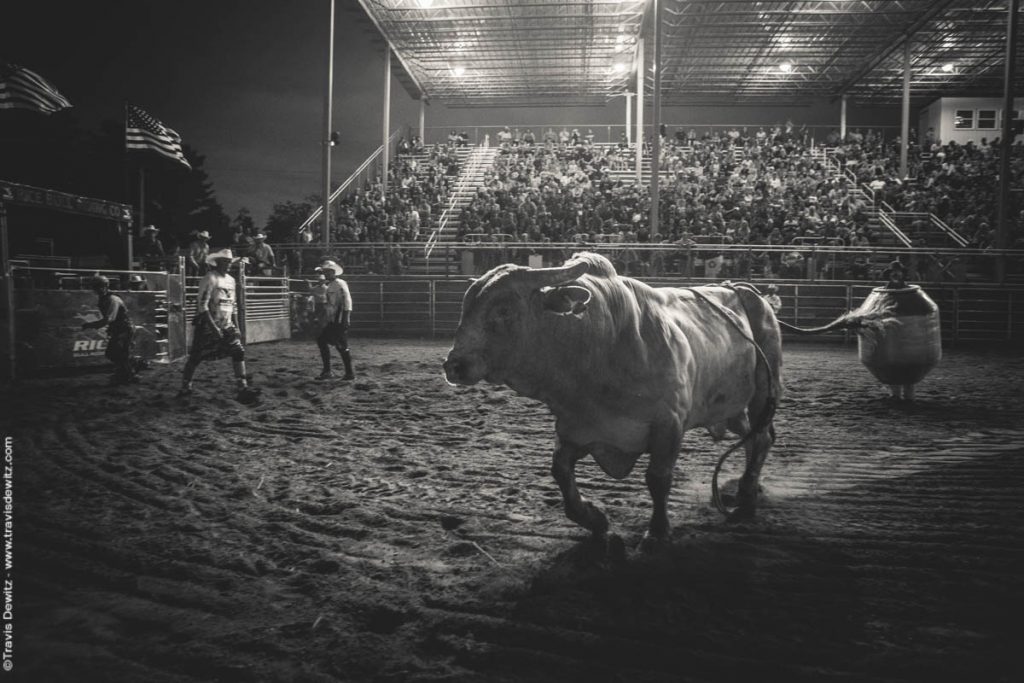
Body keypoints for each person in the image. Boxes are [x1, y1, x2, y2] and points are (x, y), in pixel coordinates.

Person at [178, 249, 260, 402]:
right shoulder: (210, 278)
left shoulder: (230, 280)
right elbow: (202, 305)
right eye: (225, 262)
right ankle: (185, 386)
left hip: (226, 323)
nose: (228, 265)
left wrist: (236, 326)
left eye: (229, 262)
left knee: (238, 351)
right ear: (218, 262)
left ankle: (242, 387)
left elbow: (233, 305)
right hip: (208, 324)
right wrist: (213, 328)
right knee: (196, 357)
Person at [81, 274, 137, 385]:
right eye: (95, 287)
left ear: (105, 286)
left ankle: (130, 372)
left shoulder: (113, 299)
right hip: (119, 329)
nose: (97, 289)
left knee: (116, 353)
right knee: (114, 353)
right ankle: (126, 373)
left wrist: (91, 325)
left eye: (99, 286)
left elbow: (109, 319)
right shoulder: (105, 299)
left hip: (124, 329)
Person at [315, 260, 354, 380]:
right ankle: (330, 371)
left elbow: (347, 301)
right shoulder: (331, 285)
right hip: (334, 318)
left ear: (333, 272)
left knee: (340, 345)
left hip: (339, 318)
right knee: (324, 341)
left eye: (327, 272)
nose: (325, 274)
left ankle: (348, 373)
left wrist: (346, 318)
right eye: (324, 272)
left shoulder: (339, 284)